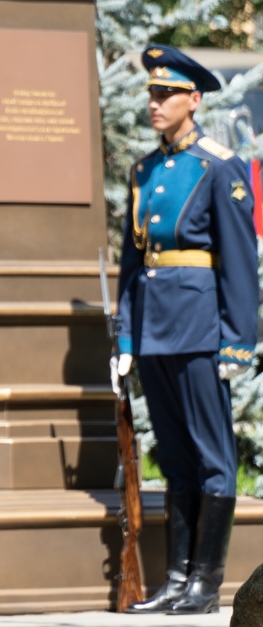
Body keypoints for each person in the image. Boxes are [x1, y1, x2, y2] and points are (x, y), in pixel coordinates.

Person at [114, 45, 258, 615]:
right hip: (154, 328)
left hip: (200, 330)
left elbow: (239, 262)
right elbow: (132, 262)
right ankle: (176, 581)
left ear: (194, 100)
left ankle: (206, 583)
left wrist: (237, 343)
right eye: (152, 93)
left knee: (212, 457)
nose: (155, 103)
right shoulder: (144, 170)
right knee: (174, 456)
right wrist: (127, 338)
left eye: (167, 93)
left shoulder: (218, 166)